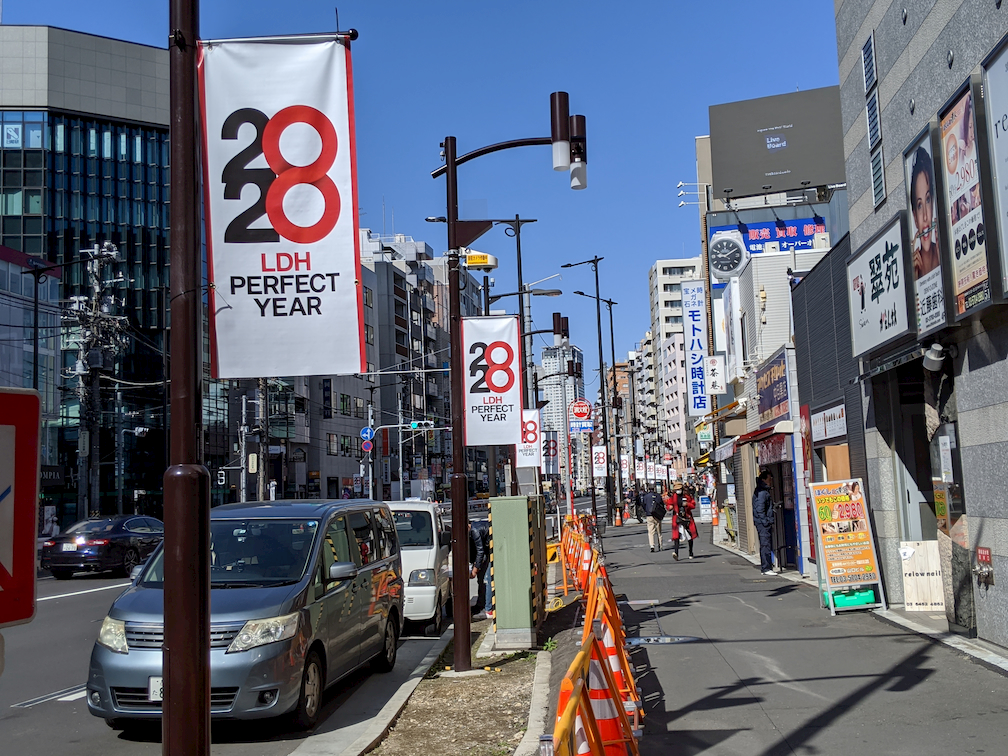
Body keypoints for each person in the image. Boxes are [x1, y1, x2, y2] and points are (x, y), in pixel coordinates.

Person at [910, 146, 940, 280]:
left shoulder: (944, 253)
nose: (926, 217)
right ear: (915, 217)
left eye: (927, 200)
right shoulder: (914, 269)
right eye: (919, 205)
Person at [468, 519, 493, 619]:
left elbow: (480, 551)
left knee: (487, 579)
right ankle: (480, 604)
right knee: (481, 578)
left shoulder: (475, 531)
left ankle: (488, 610)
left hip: (491, 550)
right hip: (487, 551)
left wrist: (475, 569)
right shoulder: (472, 530)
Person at [752, 469, 775, 575]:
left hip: (761, 521)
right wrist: (766, 521)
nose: (771, 481)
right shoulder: (762, 492)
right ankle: (766, 568)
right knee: (765, 544)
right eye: (769, 479)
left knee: (766, 544)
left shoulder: (761, 490)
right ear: (764, 479)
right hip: (762, 523)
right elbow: (759, 508)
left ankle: (767, 567)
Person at [670, 483, 698, 560]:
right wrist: (670, 507)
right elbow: (669, 504)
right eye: (676, 489)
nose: (678, 491)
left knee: (689, 536)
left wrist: (687, 504)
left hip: (687, 517)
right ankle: (676, 553)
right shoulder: (673, 497)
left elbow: (693, 505)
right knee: (676, 536)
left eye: (679, 489)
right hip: (677, 518)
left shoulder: (687, 496)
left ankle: (690, 552)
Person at [641, 485, 664, 553]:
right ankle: (660, 545)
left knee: (651, 531)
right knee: (659, 531)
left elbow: (643, 504)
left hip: (649, 514)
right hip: (657, 515)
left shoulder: (646, 496)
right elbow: (662, 505)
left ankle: (652, 545)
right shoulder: (658, 496)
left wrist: (646, 511)